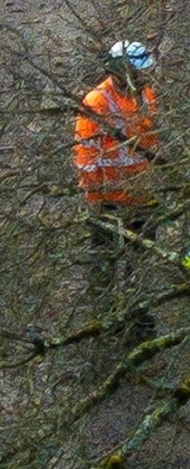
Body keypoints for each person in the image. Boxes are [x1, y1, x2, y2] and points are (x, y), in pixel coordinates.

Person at [77, 41, 158, 323]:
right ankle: (104, 323)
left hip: (142, 198)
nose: (142, 78)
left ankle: (139, 323)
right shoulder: (97, 102)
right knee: (104, 269)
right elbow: (87, 159)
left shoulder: (147, 95)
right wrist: (94, 200)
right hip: (109, 202)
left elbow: (152, 144)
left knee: (141, 269)